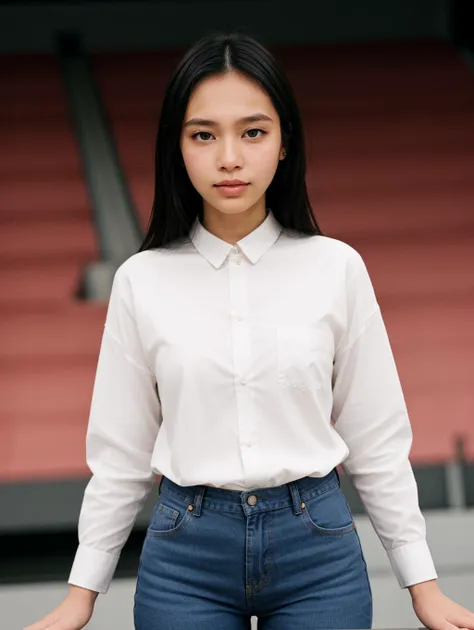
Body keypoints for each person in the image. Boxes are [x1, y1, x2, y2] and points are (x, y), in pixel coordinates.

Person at [25, 32, 474, 630]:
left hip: (317, 548)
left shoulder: (336, 267)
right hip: (185, 556)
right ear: (177, 148)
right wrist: (81, 596)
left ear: (285, 143)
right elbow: (120, 456)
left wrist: (424, 587)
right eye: (204, 134)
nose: (229, 157)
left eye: (253, 132)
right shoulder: (142, 281)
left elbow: (378, 440)